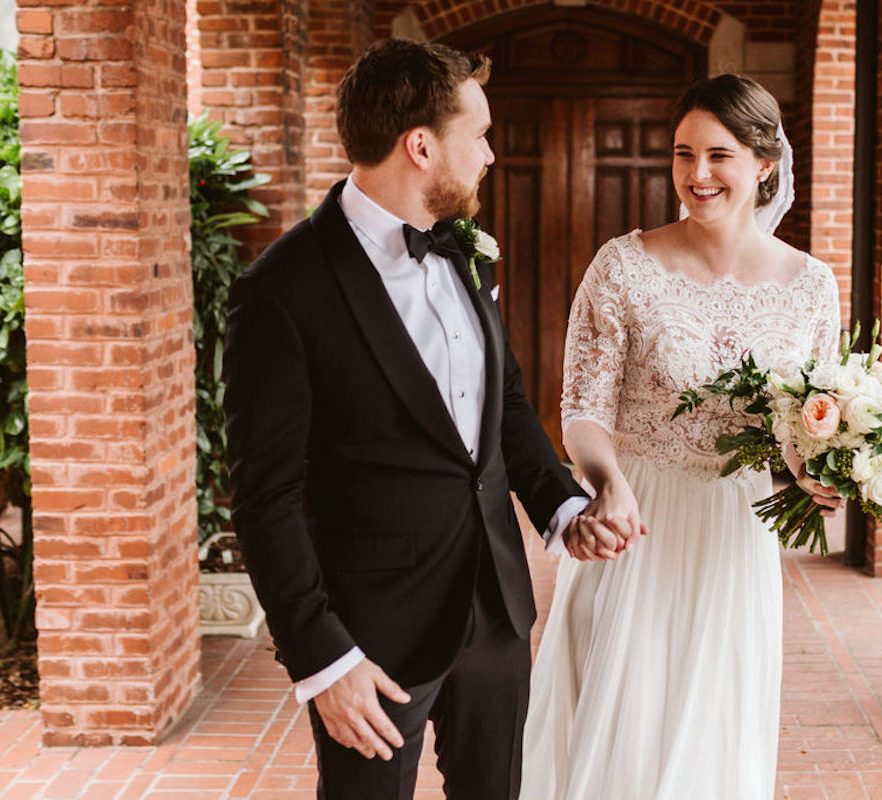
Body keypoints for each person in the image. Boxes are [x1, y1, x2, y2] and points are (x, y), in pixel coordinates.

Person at [222, 39, 616, 800]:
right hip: (371, 637)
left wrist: (563, 508)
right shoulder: (281, 292)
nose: (491, 156)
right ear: (422, 145)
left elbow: (500, 407)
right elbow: (263, 499)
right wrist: (321, 659)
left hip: (496, 609)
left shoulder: (466, 252)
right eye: (480, 136)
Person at [519, 74, 844, 799]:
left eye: (718, 155)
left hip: (737, 532)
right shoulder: (623, 266)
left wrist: (817, 473)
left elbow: (805, 424)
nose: (697, 175)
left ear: (764, 164)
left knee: (716, 733)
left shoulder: (812, 286)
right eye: (683, 154)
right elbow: (581, 408)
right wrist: (608, 480)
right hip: (636, 522)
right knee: (622, 731)